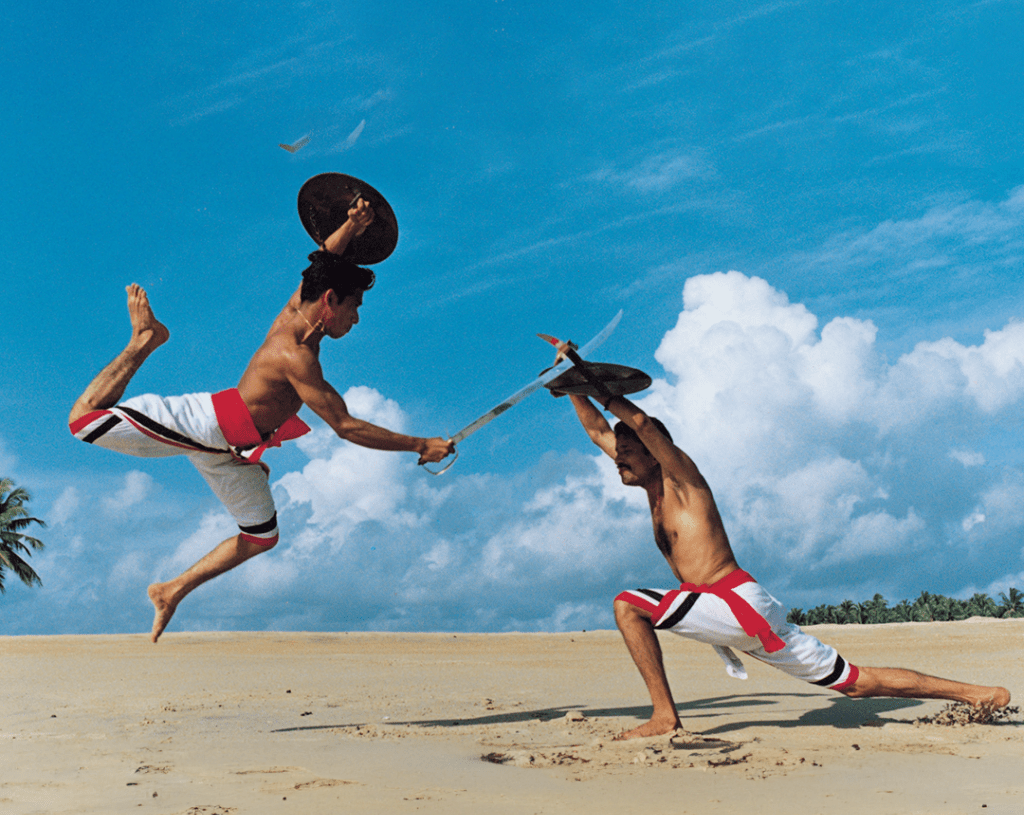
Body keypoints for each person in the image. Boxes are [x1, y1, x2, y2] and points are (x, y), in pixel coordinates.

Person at [69, 199, 453, 642]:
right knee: (83, 423)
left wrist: (351, 224)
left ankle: (171, 590)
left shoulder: (303, 310)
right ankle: (144, 341)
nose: (357, 317)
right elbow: (345, 426)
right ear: (330, 302)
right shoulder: (295, 355)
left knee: (260, 534)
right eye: (355, 306)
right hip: (206, 424)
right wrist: (420, 444)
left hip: (232, 452)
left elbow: (320, 266)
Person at [560, 386, 1011, 739]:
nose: (616, 460)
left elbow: (637, 421)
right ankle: (978, 693)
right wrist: (571, 385)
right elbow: (601, 431)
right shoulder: (651, 489)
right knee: (855, 684)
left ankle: (664, 716)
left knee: (628, 604)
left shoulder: (684, 482)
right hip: (742, 608)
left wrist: (598, 383)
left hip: (735, 602)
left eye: (625, 452)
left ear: (651, 450)